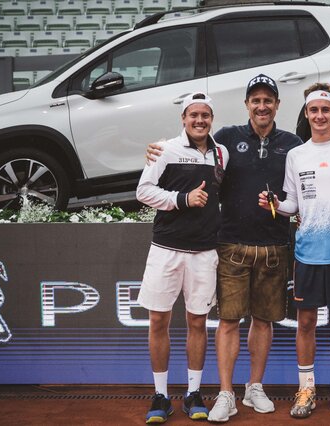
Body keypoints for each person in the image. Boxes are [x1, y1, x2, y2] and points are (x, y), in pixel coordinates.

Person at [146, 74, 304, 423]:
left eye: (268, 100)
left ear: (277, 104)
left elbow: (301, 185)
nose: (261, 106)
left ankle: (255, 387)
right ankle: (227, 394)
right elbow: (188, 144)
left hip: (275, 245)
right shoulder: (227, 140)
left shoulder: (294, 143)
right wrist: (157, 149)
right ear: (247, 104)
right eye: (255, 100)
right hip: (230, 244)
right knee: (229, 322)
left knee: (263, 321)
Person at [258, 83, 330, 420]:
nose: (320, 115)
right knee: (305, 321)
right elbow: (292, 203)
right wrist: (277, 205)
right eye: (314, 110)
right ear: (307, 114)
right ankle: (306, 389)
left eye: (326, 109)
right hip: (307, 253)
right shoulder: (296, 155)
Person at [136, 92, 229, 424]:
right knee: (159, 321)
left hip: (205, 253)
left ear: (211, 119)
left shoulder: (222, 153)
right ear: (183, 119)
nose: (199, 120)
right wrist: (182, 198)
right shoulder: (164, 149)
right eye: (193, 115)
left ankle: (193, 393)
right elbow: (143, 191)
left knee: (197, 323)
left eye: (205, 115)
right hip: (166, 250)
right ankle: (160, 395)